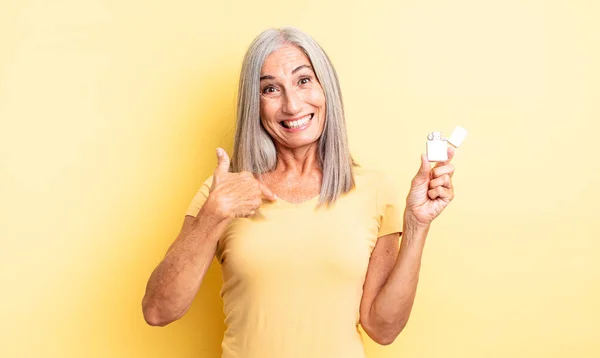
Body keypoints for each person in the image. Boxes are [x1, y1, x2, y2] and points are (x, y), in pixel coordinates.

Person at [142, 27, 456, 358]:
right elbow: (158, 311)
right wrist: (213, 214)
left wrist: (417, 225)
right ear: (255, 104)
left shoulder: (374, 190)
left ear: (326, 89)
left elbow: (383, 328)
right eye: (270, 89)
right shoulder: (224, 191)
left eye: (303, 80)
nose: (292, 105)